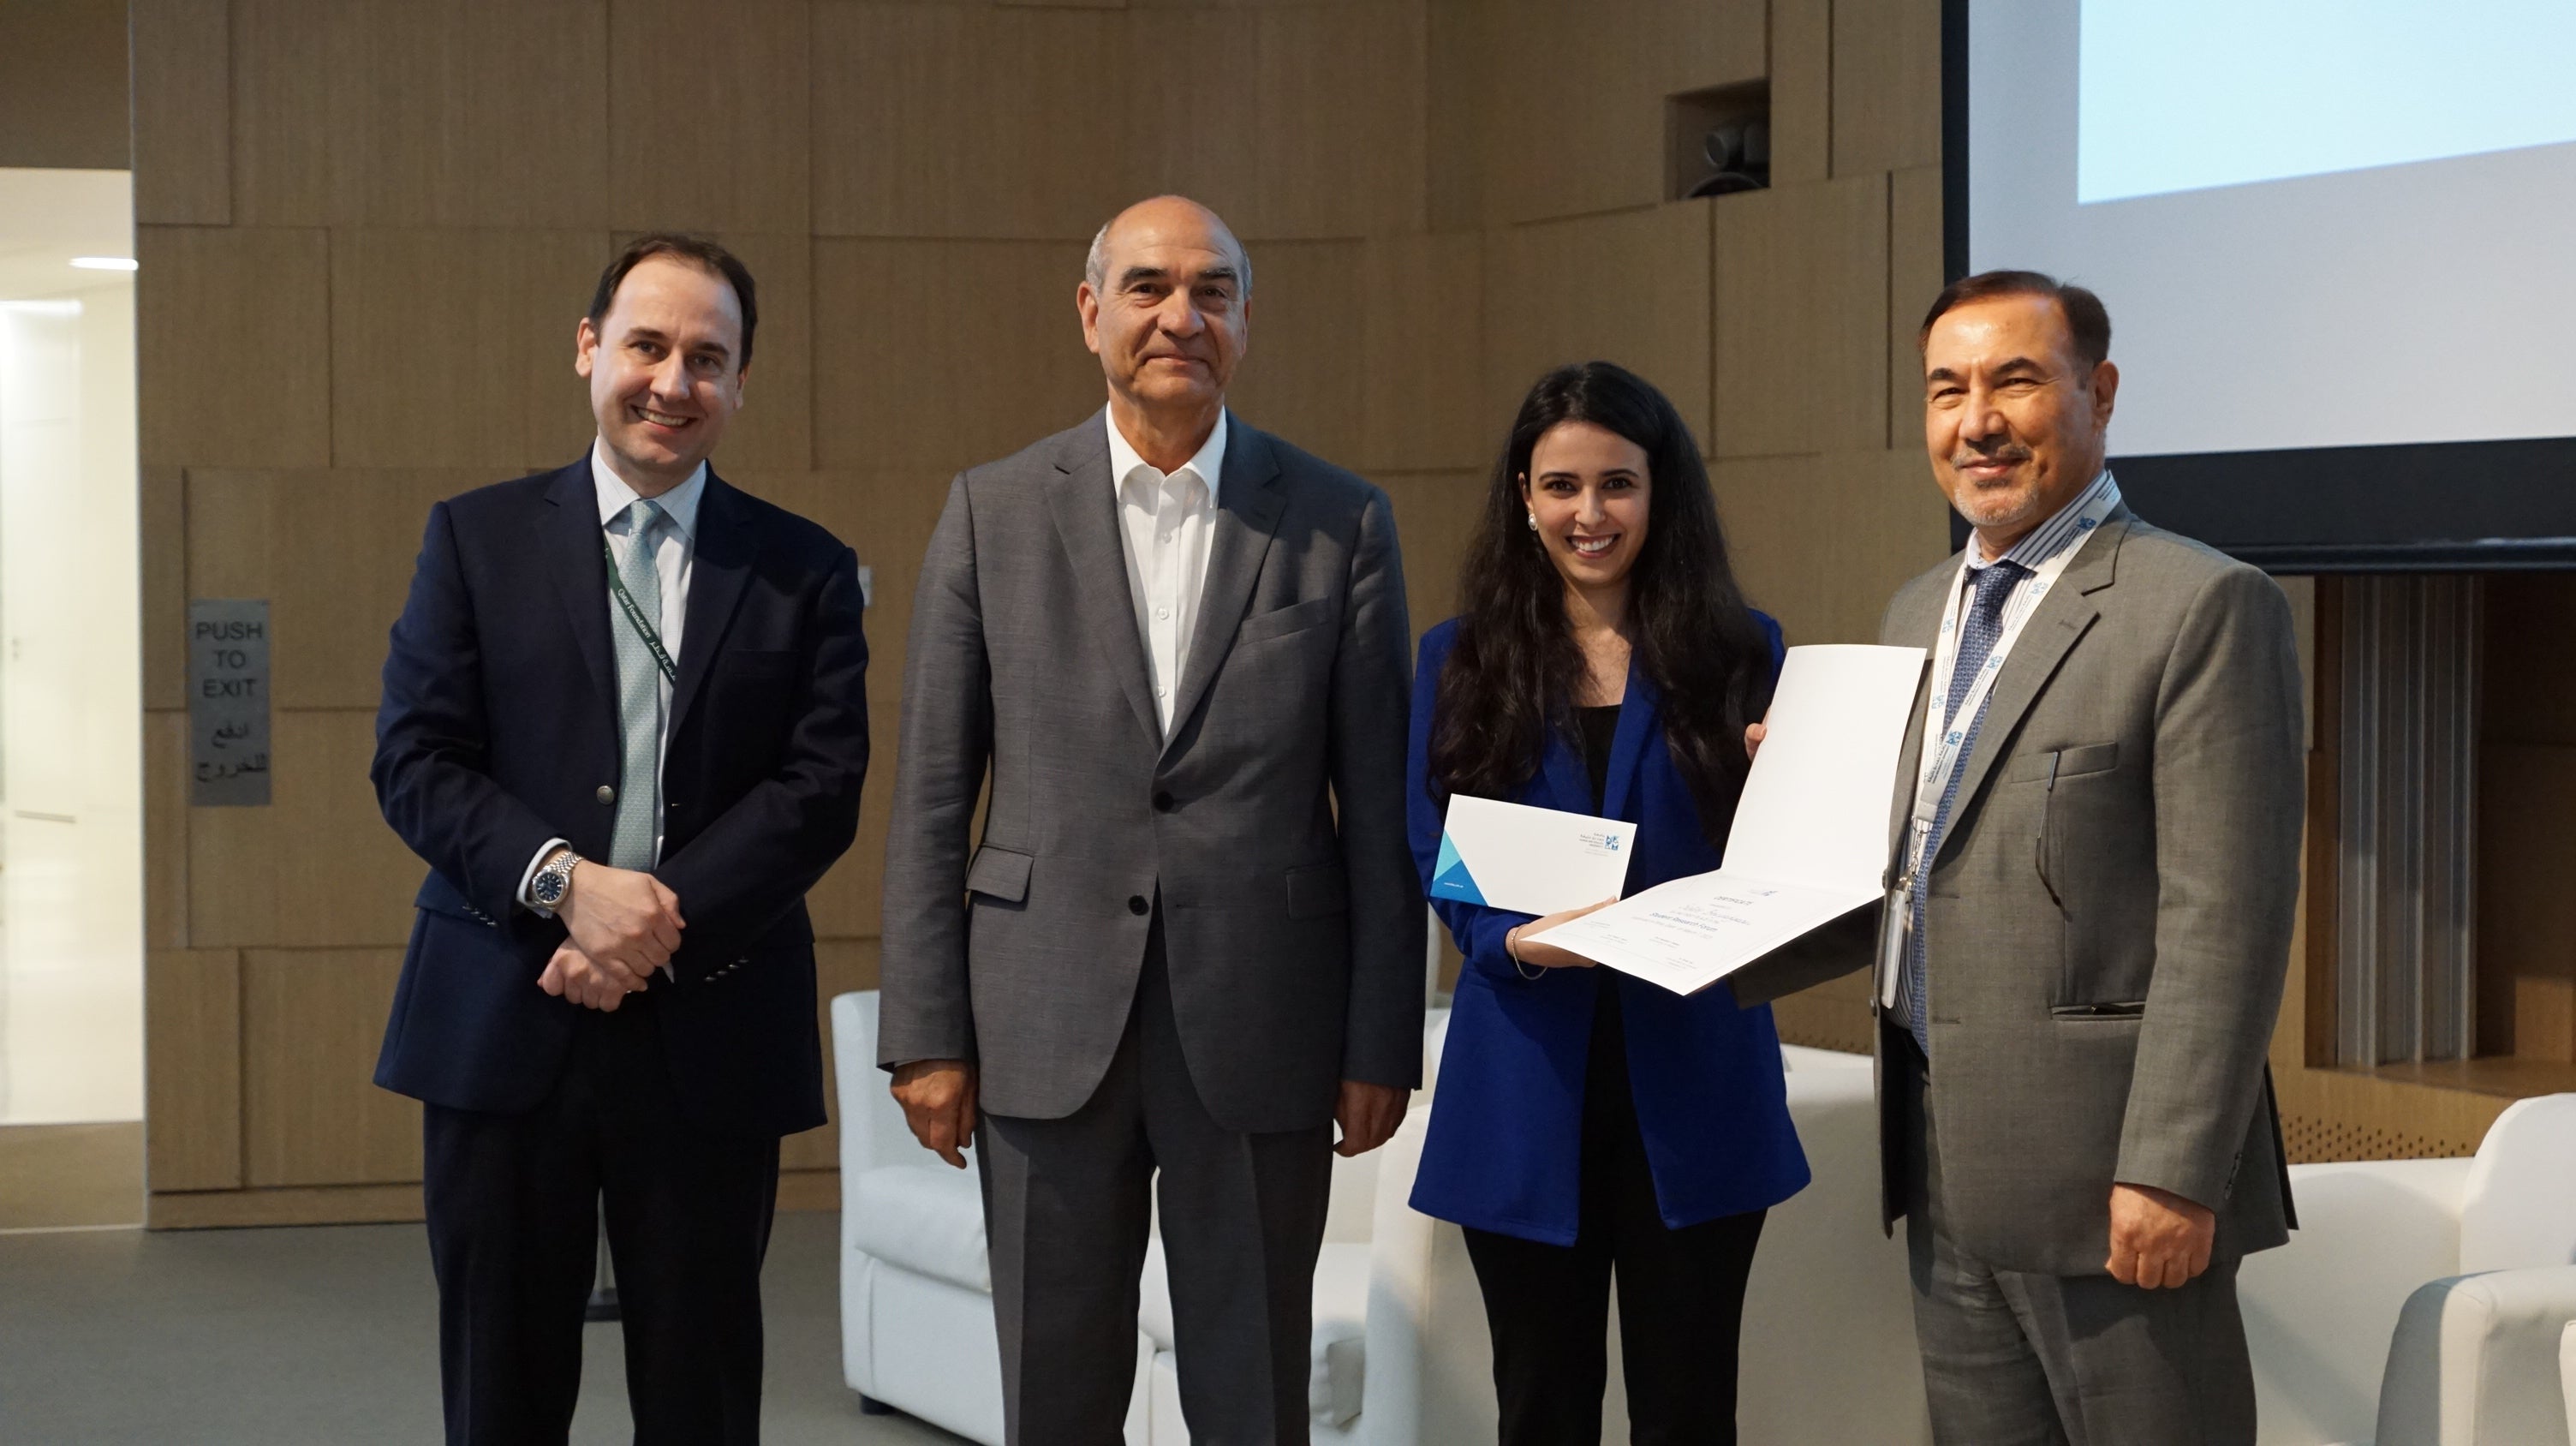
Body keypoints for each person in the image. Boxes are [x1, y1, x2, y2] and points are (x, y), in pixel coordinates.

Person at [877, 195, 1424, 1446]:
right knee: (1055, 1397)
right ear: (1090, 313)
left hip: (1264, 1026)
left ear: (1244, 319)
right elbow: (930, 799)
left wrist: (1379, 1039)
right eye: (1147, 288)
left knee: (1252, 1396)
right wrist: (925, 1033)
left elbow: (1381, 806)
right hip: (1040, 1025)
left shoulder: (1341, 521)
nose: (1181, 316)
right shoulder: (990, 510)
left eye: (1213, 292)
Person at [1768, 270, 2301, 1444]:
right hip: (1940, 1161)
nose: (1978, 421)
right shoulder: (1918, 609)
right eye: (1946, 390)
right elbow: (1927, 868)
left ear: (2098, 394)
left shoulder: (2203, 605)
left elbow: (2231, 920)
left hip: (2113, 1184)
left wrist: (2171, 1172)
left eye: (2015, 381)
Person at [371, 233, 872, 1445]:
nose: (673, 381)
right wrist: (566, 887)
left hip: (711, 1024)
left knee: (700, 1387)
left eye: (709, 357)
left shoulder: (801, 568)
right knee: (502, 1384)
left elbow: (820, 788)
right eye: (647, 345)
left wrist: (647, 926)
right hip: (505, 1009)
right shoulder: (476, 540)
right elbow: (416, 760)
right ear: (590, 348)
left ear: (742, 381)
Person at [1406, 362, 1810, 1444]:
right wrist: (1513, 940)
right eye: (1560, 485)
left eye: (1617, 484)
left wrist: (1788, 787)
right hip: (1526, 1083)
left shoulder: (1742, 649)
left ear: (1659, 493)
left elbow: (1777, 859)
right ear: (1523, 499)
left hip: (1694, 1078)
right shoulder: (1458, 659)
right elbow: (1429, 841)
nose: (1589, 513)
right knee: (1539, 1407)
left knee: (1688, 1409)